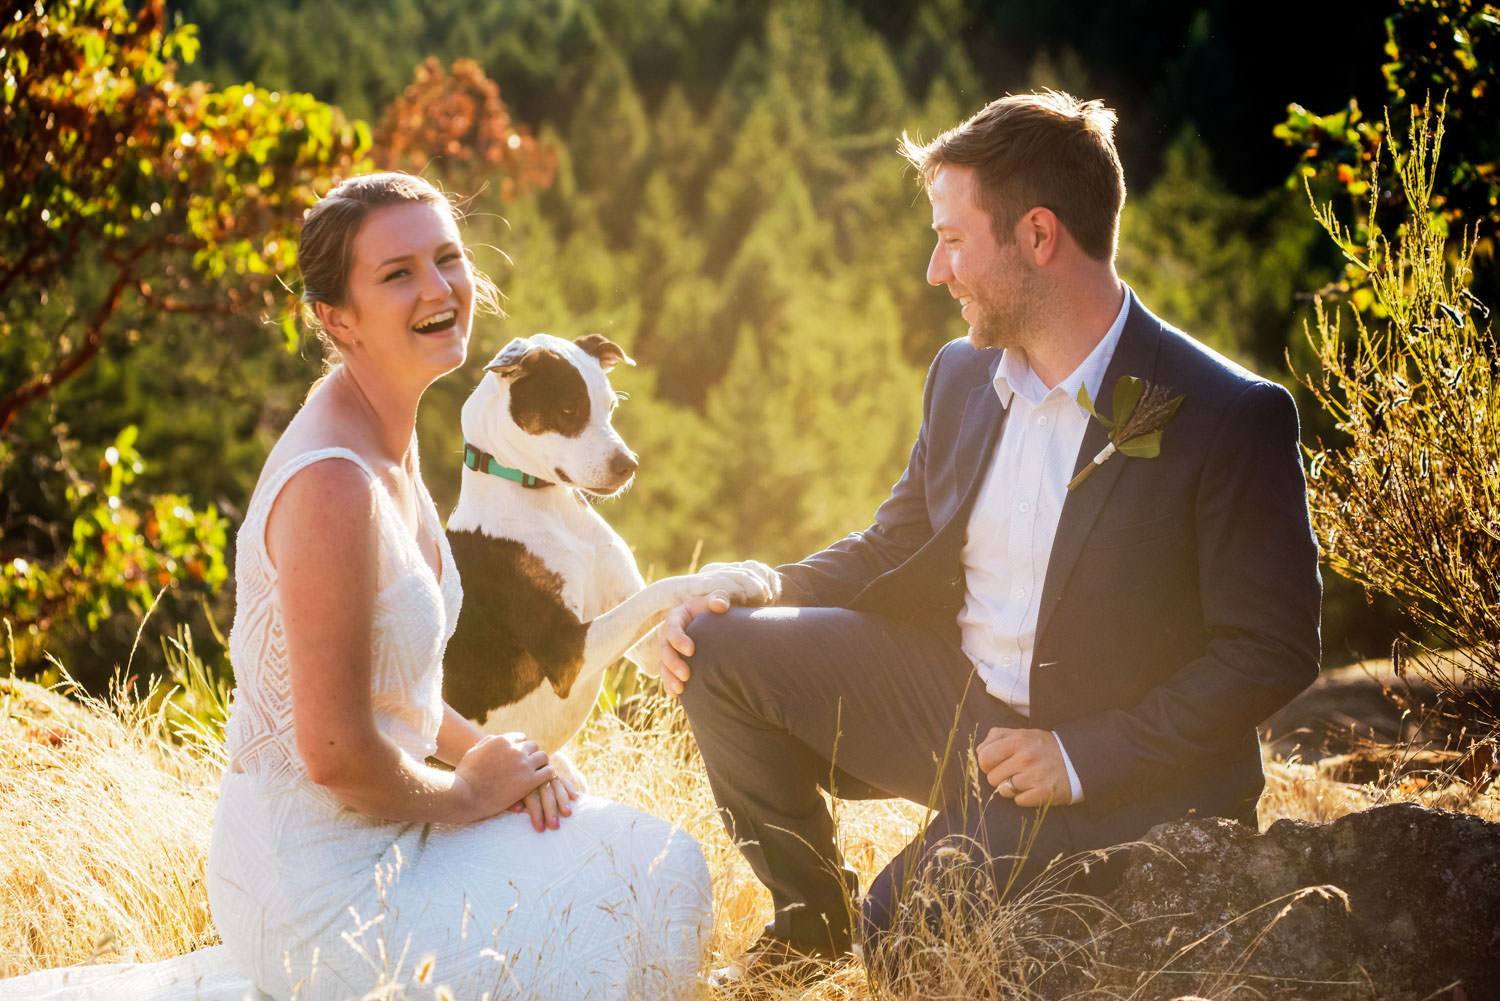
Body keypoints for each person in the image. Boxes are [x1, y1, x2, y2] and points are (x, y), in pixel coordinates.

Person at [654, 90, 1322, 985]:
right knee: (713, 646)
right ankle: (808, 920)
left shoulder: (1227, 414)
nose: (937, 270)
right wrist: (762, 587)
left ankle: (887, 910)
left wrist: (1083, 754)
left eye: (954, 239)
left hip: (1116, 766)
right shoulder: (963, 375)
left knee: (901, 932)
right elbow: (897, 541)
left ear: (1039, 237)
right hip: (959, 705)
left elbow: (1270, 652)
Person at [0, 172, 717, 1001]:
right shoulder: (333, 485)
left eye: (447, 258)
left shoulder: (393, 434)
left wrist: (484, 752)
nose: (440, 286)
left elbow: (391, 697)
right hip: (316, 882)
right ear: (336, 318)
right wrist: (471, 795)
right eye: (398, 272)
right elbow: (335, 750)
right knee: (618, 910)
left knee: (660, 865)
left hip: (400, 822)